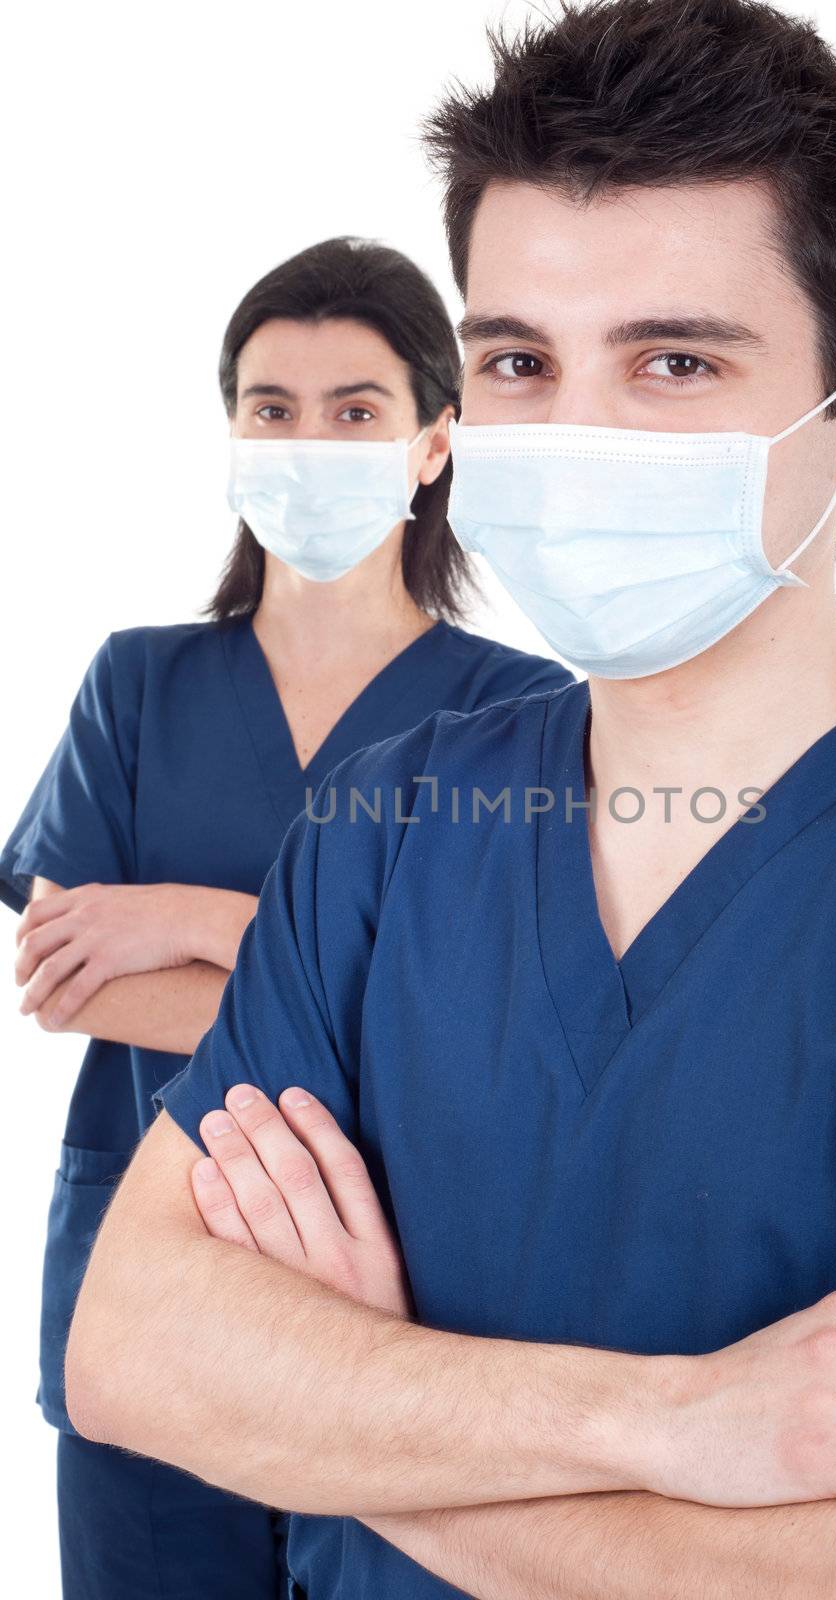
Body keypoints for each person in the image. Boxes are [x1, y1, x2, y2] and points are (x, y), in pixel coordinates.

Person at [65, 3, 836, 1598]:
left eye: (675, 362)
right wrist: (685, 1424)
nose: (575, 432)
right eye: (521, 361)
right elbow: (131, 1347)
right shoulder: (384, 819)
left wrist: (348, 1405)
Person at [2, 234, 572, 1599]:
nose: (307, 443)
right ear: (234, 436)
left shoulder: (526, 717)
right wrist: (347, 979)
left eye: (355, 411)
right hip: (152, 1288)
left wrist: (190, 914)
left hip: (408, 1307)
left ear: (436, 443)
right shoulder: (136, 684)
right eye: (273, 410)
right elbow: (70, 981)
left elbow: (488, 1020)